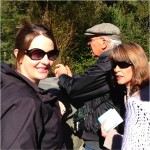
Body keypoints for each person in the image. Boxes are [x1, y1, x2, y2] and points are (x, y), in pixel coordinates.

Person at [55, 23, 123, 150]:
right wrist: (70, 79)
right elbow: (86, 87)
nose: (88, 43)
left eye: (91, 40)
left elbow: (74, 89)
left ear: (103, 43)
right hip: (101, 136)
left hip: (100, 140)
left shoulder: (106, 64)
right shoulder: (112, 62)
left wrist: (62, 76)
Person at [1, 21, 66, 149]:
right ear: (18, 55)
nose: (46, 61)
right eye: (37, 53)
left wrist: (51, 102)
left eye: (51, 54)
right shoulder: (24, 103)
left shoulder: (9, 83)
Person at [100, 42, 150, 150]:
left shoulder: (137, 102)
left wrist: (110, 136)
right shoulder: (139, 91)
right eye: (114, 64)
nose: (116, 69)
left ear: (137, 65)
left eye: (122, 64)